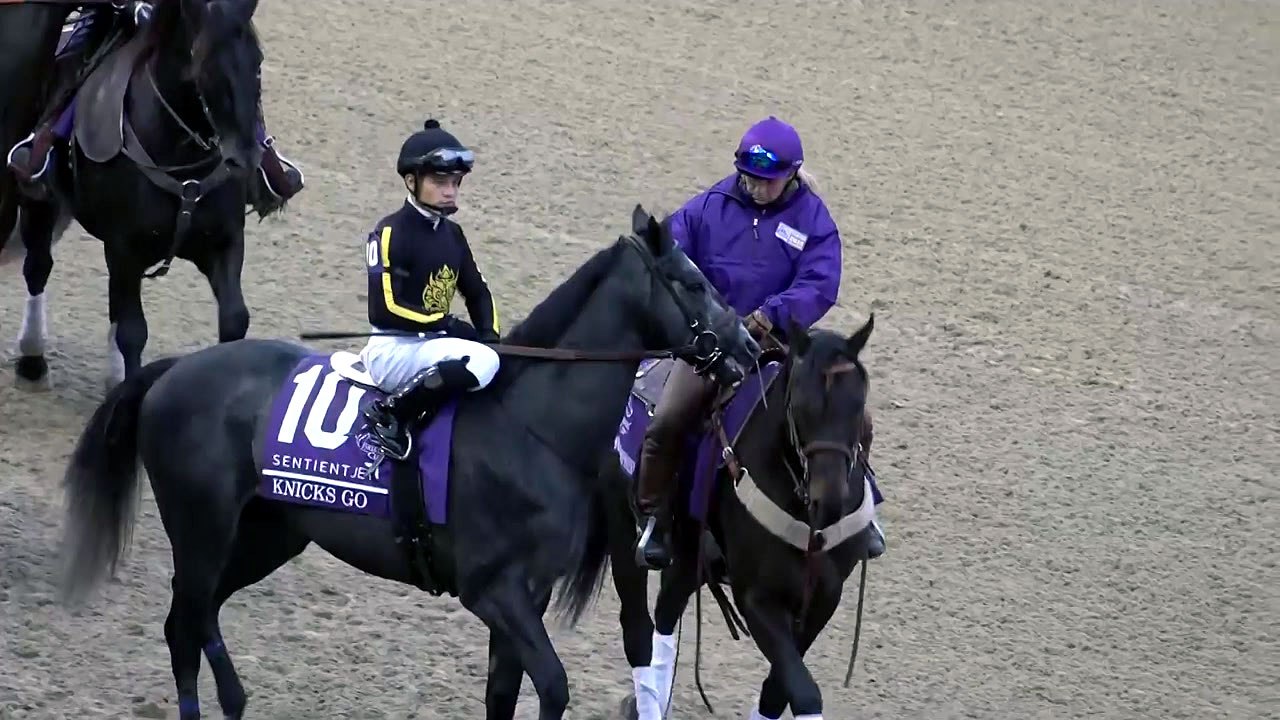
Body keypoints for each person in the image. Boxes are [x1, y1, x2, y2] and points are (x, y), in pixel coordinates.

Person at [633, 115, 886, 571]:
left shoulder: (813, 219)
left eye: (766, 180)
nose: (754, 187)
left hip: (782, 345)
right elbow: (671, 251)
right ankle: (653, 518)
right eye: (748, 177)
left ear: (791, 174)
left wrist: (773, 314)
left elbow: (820, 282)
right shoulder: (710, 204)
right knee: (668, 419)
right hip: (715, 342)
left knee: (856, 416)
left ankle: (861, 511)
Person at [5, 1, 304, 211]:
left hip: (189, 19)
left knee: (231, 64)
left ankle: (261, 148)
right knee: (86, 62)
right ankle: (47, 138)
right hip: (121, 17)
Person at [358, 119, 502, 461]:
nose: (450, 190)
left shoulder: (453, 235)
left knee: (494, 357)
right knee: (479, 361)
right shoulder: (391, 231)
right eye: (440, 182)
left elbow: (478, 293)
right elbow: (384, 309)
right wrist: (445, 324)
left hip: (432, 345)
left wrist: (490, 335)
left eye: (455, 182)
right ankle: (392, 415)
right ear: (412, 180)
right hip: (393, 348)